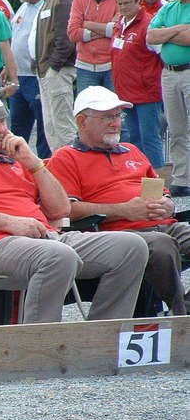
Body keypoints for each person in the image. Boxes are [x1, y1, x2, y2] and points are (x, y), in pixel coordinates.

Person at [0, 88, 148, 323]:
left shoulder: (14, 158)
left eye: (2, 120)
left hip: (46, 237)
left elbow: (61, 210)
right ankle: (40, 346)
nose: (1, 129)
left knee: (131, 246)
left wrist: (33, 162)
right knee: (58, 256)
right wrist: (8, 222)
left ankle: (103, 337)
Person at [49, 85, 189, 314]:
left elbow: (160, 190)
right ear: (82, 121)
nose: (116, 122)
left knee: (165, 240)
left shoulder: (132, 150)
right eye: (106, 117)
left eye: (117, 115)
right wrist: (123, 210)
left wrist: (168, 204)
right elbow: (67, 210)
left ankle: (186, 308)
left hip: (163, 225)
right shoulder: (66, 158)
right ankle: (180, 314)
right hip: (116, 234)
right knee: (161, 246)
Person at [110, 0, 164, 168]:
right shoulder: (120, 24)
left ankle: (160, 184)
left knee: (150, 139)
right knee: (134, 140)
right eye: (120, 3)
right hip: (126, 93)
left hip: (146, 93)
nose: (123, 7)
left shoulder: (148, 25)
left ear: (138, 1)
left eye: (127, 3)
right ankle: (139, 180)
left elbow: (162, 55)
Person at [147, 0, 190, 197]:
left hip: (189, 71)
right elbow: (151, 35)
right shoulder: (169, 8)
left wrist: (168, 34)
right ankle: (182, 178)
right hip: (169, 72)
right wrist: (179, 29)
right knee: (176, 128)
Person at [33, 0, 77, 152]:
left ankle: (71, 173)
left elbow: (65, 37)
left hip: (58, 72)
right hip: (47, 72)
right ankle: (59, 172)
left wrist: (54, 67)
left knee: (64, 128)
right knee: (51, 127)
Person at [5, 0, 50, 158]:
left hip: (36, 76)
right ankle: (15, 166)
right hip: (19, 76)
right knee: (17, 127)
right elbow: (14, 37)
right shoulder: (23, 7)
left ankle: (46, 164)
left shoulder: (46, 6)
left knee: (44, 127)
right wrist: (8, 67)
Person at [68, 0, 118, 93]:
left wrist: (87, 24)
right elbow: (72, 33)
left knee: (114, 109)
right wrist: (105, 29)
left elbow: (117, 31)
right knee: (88, 108)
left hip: (112, 65)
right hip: (85, 66)